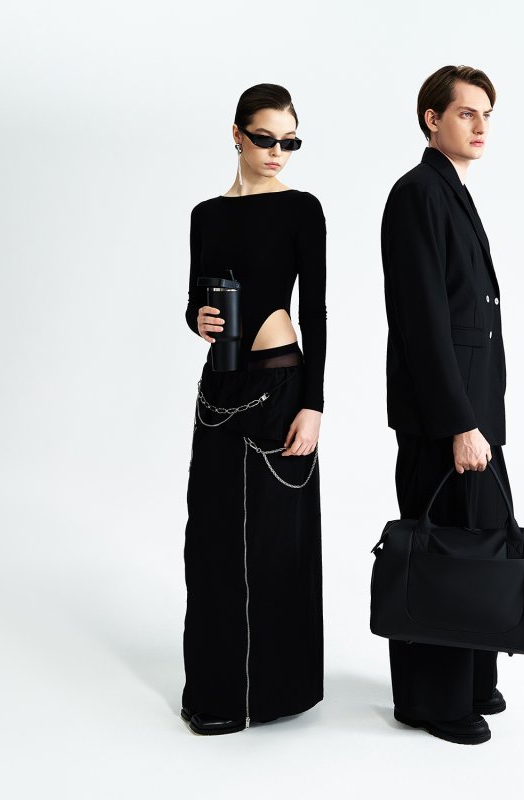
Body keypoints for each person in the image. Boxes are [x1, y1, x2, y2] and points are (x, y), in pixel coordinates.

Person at [181, 83, 326, 735]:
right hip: (218, 389)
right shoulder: (206, 215)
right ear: (237, 134)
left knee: (274, 540)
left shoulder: (301, 209)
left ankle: (275, 694)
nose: (277, 152)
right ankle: (214, 693)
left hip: (280, 386)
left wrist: (314, 405)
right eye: (265, 138)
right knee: (210, 537)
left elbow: (316, 312)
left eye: (289, 142)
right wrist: (198, 318)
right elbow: (193, 302)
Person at [380, 65, 511, 745]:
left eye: (487, 114)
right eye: (466, 113)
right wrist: (459, 422)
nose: (481, 125)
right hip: (444, 415)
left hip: (473, 409)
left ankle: (471, 679)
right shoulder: (417, 194)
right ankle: (431, 700)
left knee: (479, 542)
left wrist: (481, 416)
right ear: (432, 119)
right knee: (441, 554)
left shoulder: (450, 191)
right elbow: (424, 320)